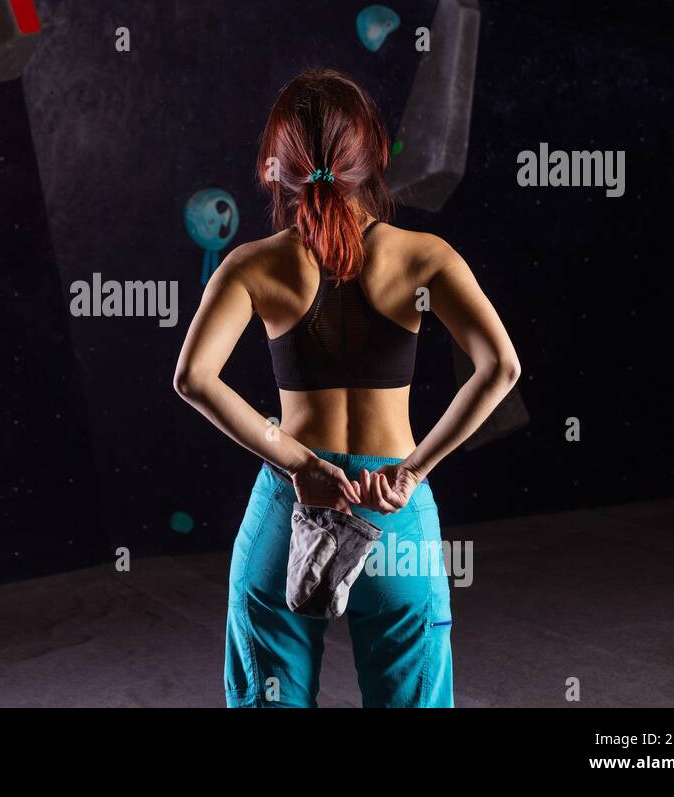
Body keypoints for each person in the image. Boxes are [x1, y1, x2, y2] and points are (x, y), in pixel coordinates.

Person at [172, 69, 521, 708]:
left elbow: (193, 378)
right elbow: (501, 366)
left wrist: (302, 465)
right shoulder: (425, 256)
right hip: (390, 510)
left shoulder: (253, 264)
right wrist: (412, 473)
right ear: (376, 158)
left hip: (290, 504)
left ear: (274, 168)